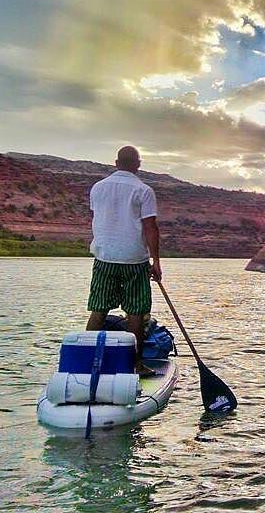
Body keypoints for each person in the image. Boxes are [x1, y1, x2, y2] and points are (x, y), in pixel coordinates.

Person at [84, 146, 162, 377]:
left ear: (116, 163)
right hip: (134, 260)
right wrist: (155, 261)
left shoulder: (97, 188)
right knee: (136, 313)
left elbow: (99, 218)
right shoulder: (143, 190)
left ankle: (87, 362)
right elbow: (150, 227)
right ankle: (136, 365)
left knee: (99, 309)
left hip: (104, 257)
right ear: (138, 164)